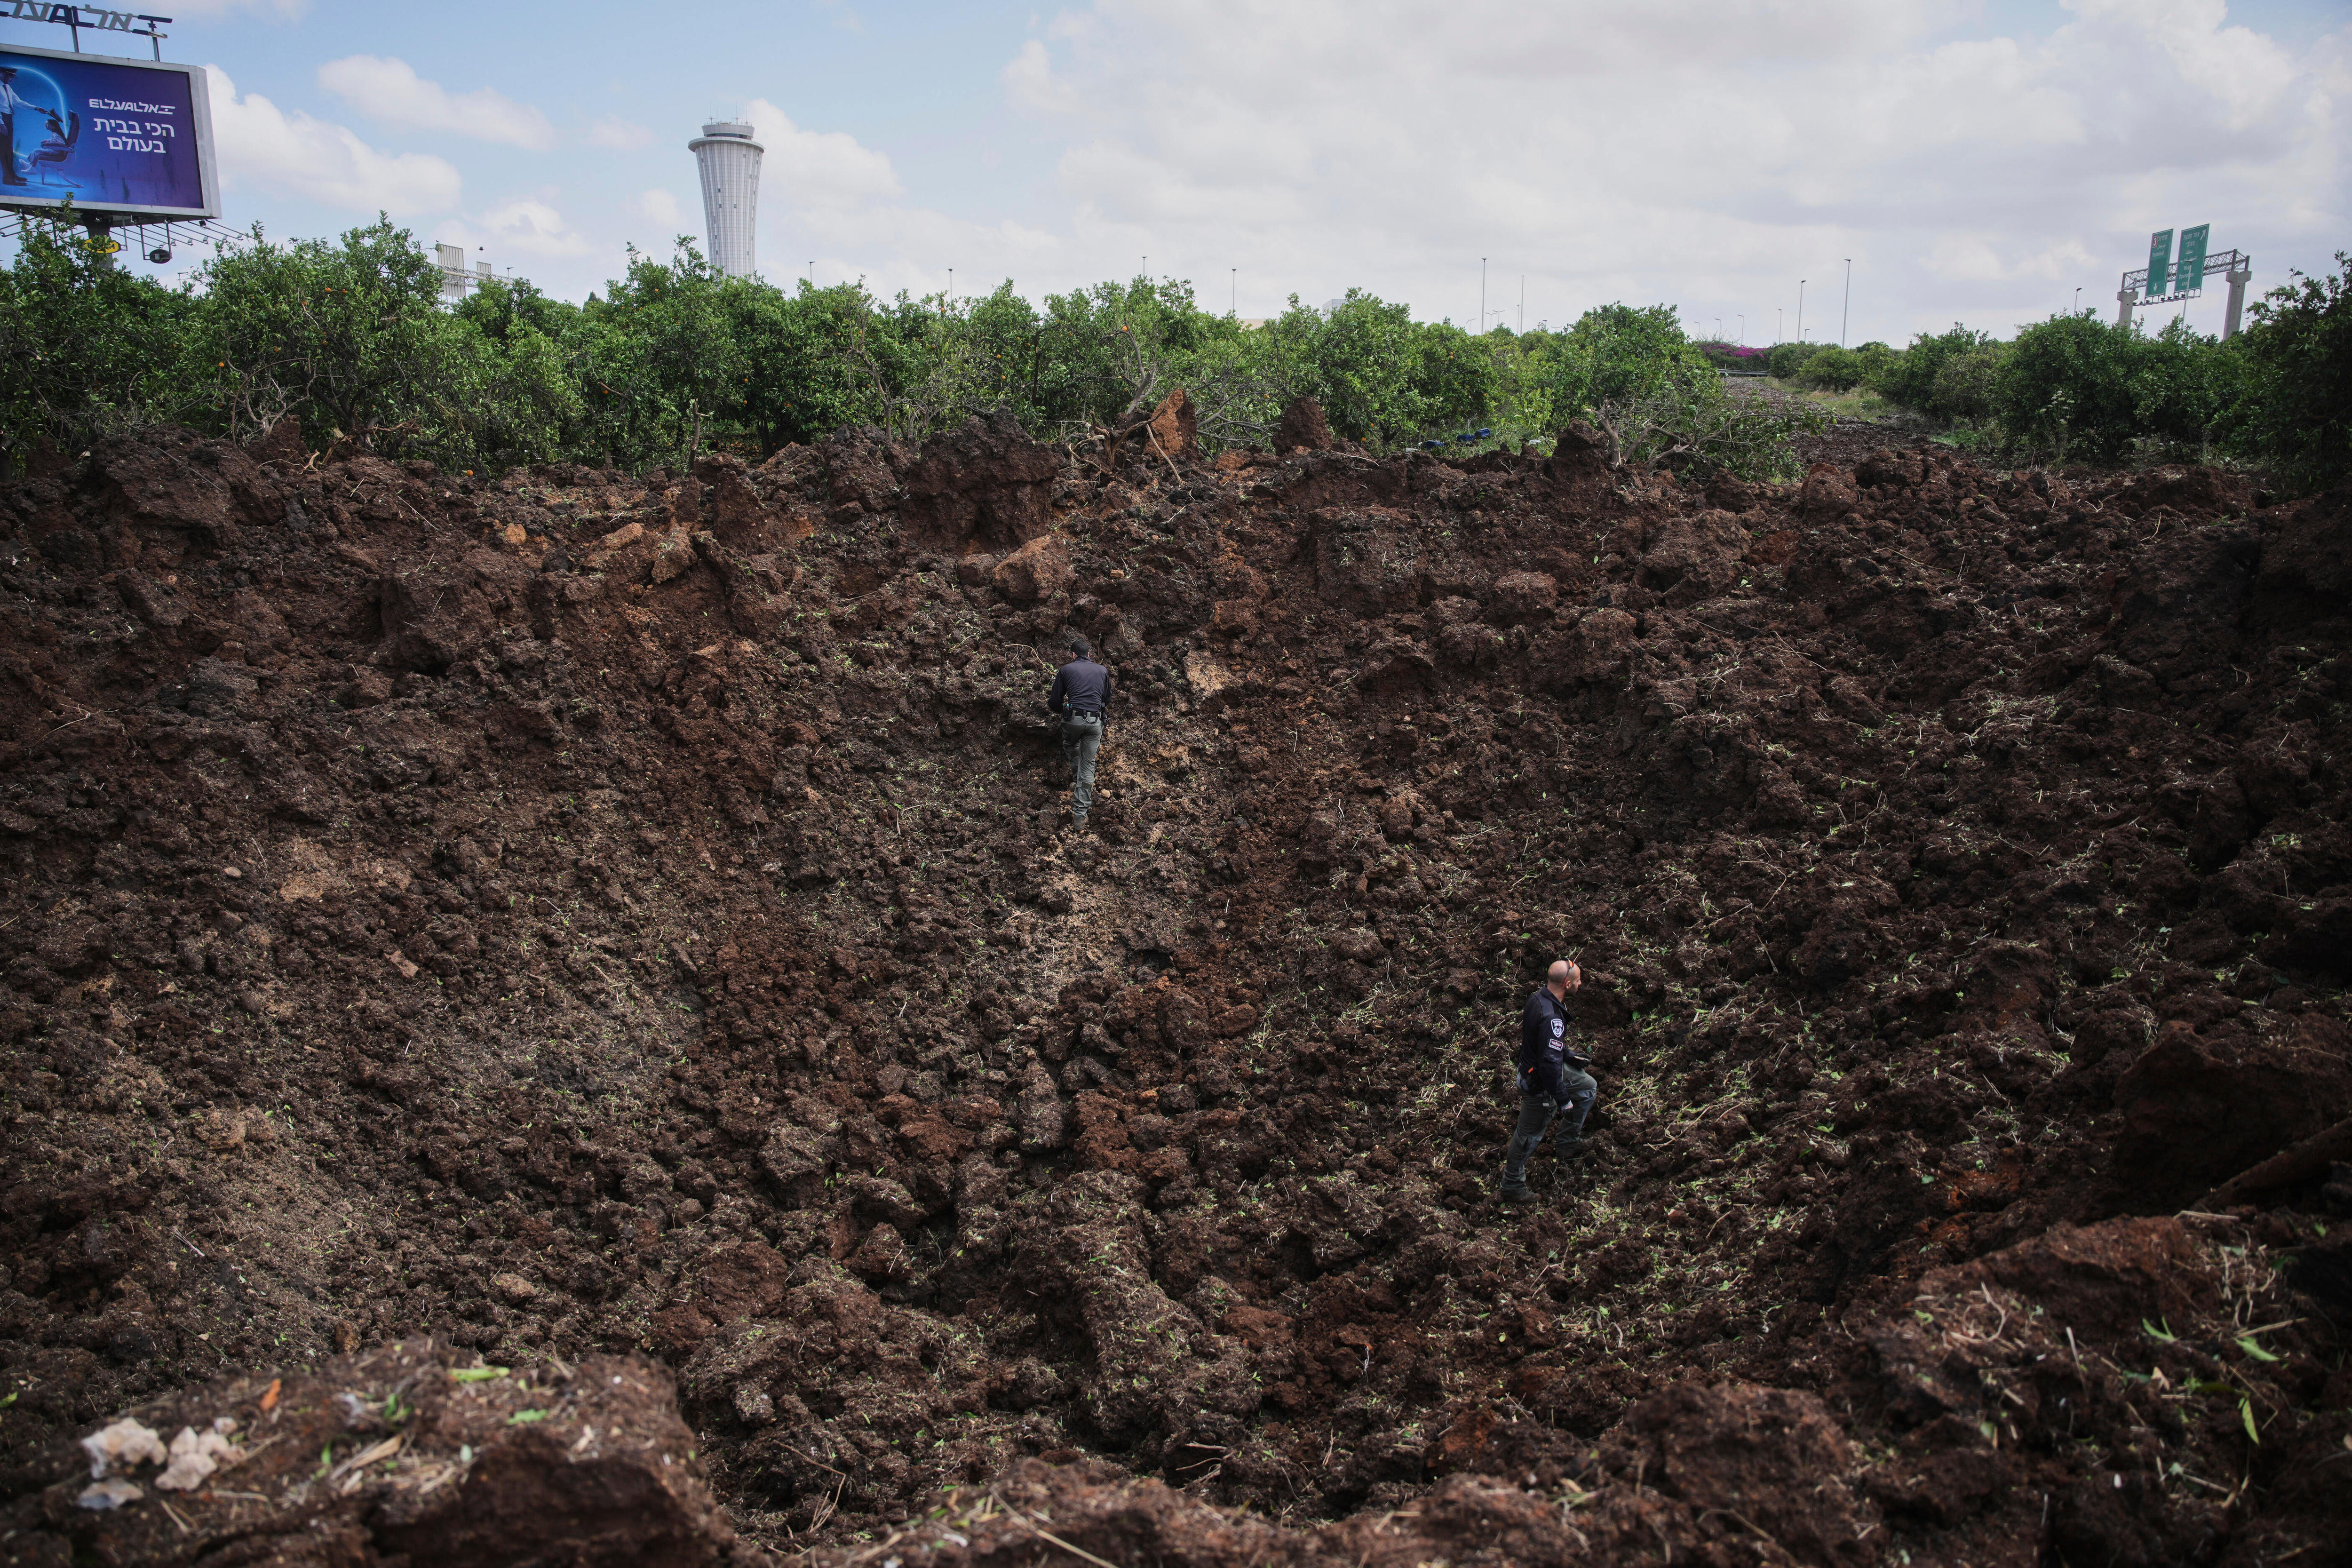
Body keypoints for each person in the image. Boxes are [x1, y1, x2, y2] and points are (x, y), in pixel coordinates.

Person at [1499, 959, 1594, 1202]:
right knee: (1527, 1136)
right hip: (1538, 1083)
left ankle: (1567, 1143)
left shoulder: (1538, 999)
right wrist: (1562, 1099)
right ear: (1567, 983)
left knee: (1587, 1087)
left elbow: (1543, 1045)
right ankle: (1512, 1186)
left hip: (1540, 1068)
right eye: (1579, 981)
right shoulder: (1553, 1018)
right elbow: (1549, 1066)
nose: (1581, 984)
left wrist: (1567, 1054)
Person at [1045, 634, 1114, 831]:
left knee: (1070, 743)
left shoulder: (1066, 669)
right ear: (1090, 655)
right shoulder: (1102, 670)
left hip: (1073, 721)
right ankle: (1080, 818)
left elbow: (1055, 701)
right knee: (1088, 766)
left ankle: (1076, 778)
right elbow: (1107, 699)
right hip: (1094, 722)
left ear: (1073, 655)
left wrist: (1064, 713)